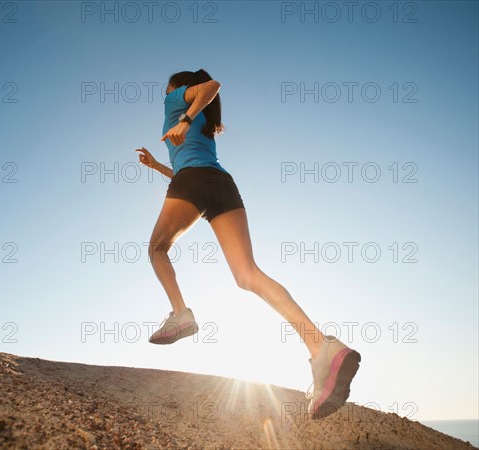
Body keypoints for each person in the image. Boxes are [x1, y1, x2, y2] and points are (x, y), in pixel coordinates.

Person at [135, 69, 361, 420]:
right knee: (248, 275)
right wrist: (156, 166)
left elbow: (211, 85)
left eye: (167, 89)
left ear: (176, 88)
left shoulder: (176, 99)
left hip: (194, 182)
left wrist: (184, 118)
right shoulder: (207, 123)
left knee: (156, 249)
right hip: (220, 184)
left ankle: (181, 314)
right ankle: (321, 347)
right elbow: (187, 168)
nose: (164, 94)